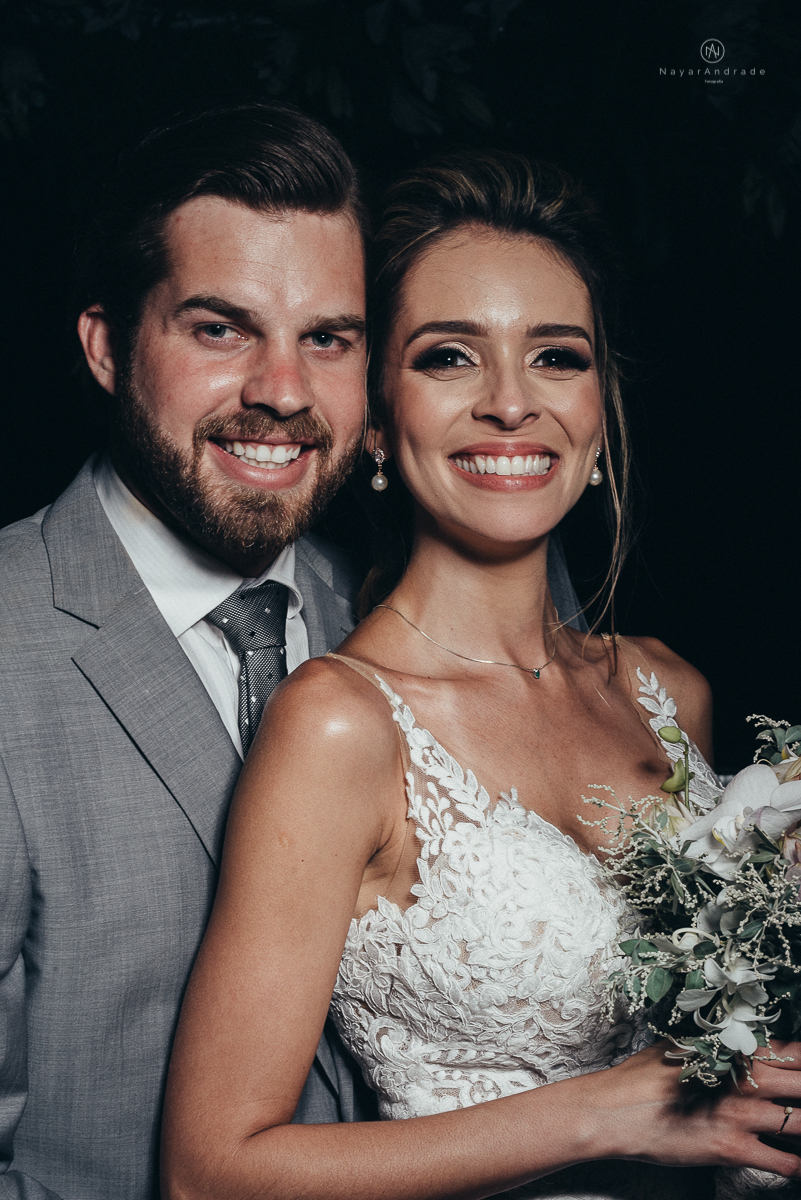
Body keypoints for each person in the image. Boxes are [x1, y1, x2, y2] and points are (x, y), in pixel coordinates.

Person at [161, 149, 801, 1200]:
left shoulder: (668, 692)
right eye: (450, 357)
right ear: (375, 421)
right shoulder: (338, 727)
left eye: (556, 357)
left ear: (601, 416)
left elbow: (713, 1041)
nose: (511, 403)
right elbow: (210, 1173)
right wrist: (603, 1114)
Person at [0, 110, 585, 1199]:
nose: (281, 390)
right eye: (221, 330)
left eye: (329, 338)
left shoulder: (386, 612)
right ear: (106, 344)